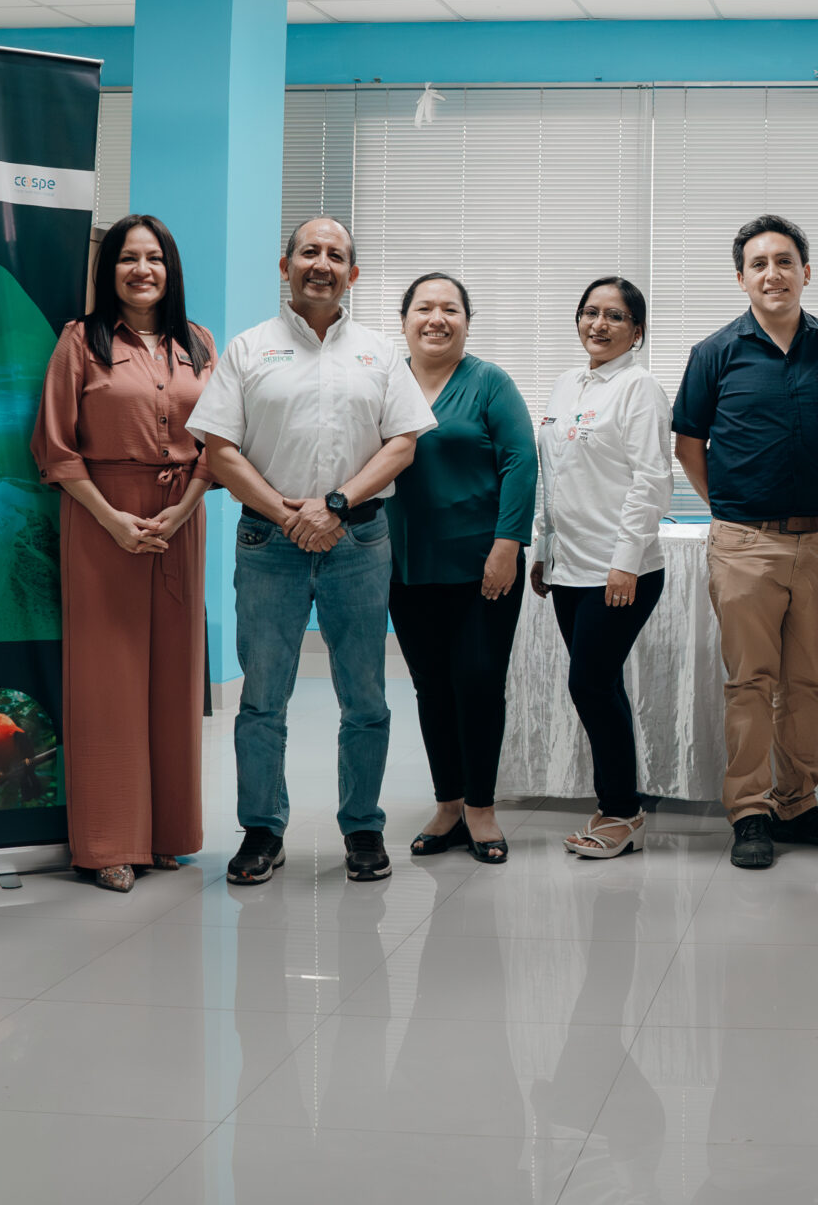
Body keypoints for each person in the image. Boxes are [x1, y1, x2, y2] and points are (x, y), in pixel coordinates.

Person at [188, 216, 430, 887]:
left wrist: (334, 506)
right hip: (269, 540)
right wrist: (287, 514)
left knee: (366, 694)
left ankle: (362, 827)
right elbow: (219, 448)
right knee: (264, 697)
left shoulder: (380, 353)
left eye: (337, 254)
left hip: (358, 538)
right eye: (309, 252)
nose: (322, 263)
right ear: (285, 264)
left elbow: (402, 444)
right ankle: (262, 830)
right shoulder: (247, 350)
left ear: (353, 273)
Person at [672, 213, 818, 871]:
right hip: (744, 545)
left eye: (784, 261)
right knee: (752, 683)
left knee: (808, 680)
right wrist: (732, 512)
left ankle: (798, 803)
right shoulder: (714, 353)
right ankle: (751, 811)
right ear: (741, 279)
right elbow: (689, 445)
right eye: (758, 264)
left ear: (805, 272)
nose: (772, 273)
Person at [32, 215, 214, 892]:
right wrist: (112, 520)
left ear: (171, 269)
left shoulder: (198, 343)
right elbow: (54, 447)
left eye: (155, 258)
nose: (142, 270)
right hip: (99, 513)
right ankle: (110, 841)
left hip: (179, 514)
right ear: (107, 272)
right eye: (127, 259)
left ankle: (165, 834)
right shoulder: (81, 341)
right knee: (107, 680)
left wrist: (183, 509)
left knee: (172, 676)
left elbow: (218, 442)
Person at [388, 272, 537, 867]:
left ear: (466, 321)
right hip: (405, 566)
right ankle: (447, 803)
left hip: (484, 567)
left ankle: (481, 808)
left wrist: (508, 544)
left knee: (477, 682)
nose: (436, 318)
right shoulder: (385, 380)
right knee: (430, 689)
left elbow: (521, 462)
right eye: (424, 307)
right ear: (405, 320)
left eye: (450, 308)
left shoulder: (489, 383)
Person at [532, 277, 675, 860]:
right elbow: (554, 476)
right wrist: (543, 550)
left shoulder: (639, 388)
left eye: (614, 316)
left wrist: (625, 564)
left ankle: (622, 811)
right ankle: (617, 802)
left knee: (588, 683)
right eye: (590, 312)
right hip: (569, 568)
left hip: (621, 571)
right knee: (600, 683)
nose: (599, 324)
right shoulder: (569, 384)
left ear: (636, 331)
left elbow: (652, 480)